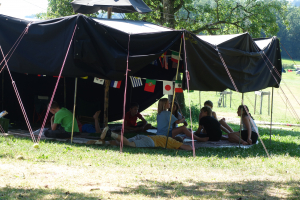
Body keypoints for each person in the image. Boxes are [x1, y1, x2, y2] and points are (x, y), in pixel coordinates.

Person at [86, 128, 193, 150]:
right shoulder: (174, 143)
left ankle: (100, 142)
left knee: (121, 143)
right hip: (150, 142)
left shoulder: (167, 138)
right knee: (128, 144)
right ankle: (110, 133)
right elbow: (188, 148)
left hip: (146, 137)